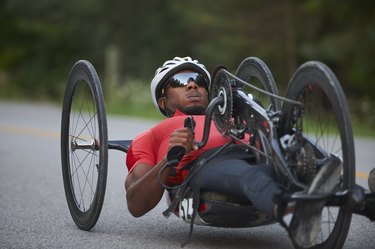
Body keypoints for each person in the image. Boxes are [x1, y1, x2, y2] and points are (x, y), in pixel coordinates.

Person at [124, 56, 341, 248]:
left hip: (262, 154)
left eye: (199, 81)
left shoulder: (234, 118)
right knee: (253, 174)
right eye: (180, 82)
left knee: (310, 159)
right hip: (207, 165)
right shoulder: (151, 135)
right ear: (163, 102)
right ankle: (293, 214)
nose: (192, 85)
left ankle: (362, 197)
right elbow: (135, 203)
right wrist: (169, 159)